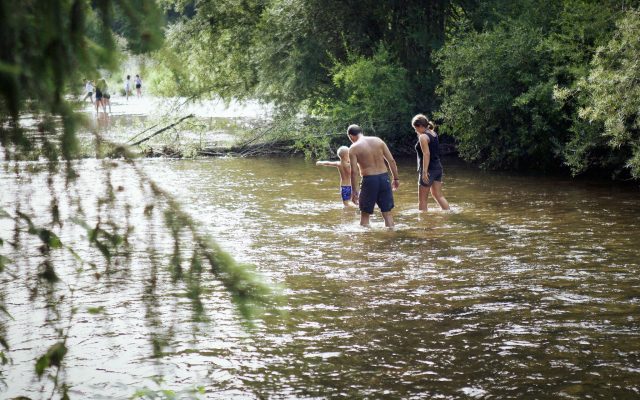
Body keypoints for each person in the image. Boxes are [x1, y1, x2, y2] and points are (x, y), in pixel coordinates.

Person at [347, 124, 400, 228]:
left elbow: (354, 172)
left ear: (351, 136)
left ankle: (367, 241)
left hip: (369, 180)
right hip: (384, 178)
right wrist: (396, 178)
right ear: (361, 132)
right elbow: (391, 160)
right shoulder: (378, 140)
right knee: (387, 213)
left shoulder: (353, 148)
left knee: (365, 214)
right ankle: (391, 237)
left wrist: (354, 191)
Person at [411, 114, 450, 211]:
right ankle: (448, 213)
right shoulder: (433, 133)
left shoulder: (423, 137)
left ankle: (423, 223)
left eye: (415, 128)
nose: (415, 130)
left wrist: (424, 172)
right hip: (438, 168)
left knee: (422, 200)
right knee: (438, 195)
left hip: (428, 170)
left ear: (420, 126)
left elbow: (426, 154)